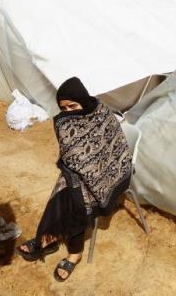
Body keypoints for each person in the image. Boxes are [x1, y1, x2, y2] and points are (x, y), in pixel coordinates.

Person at [17, 77, 133, 281]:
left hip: (107, 172)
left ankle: (66, 248)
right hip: (81, 173)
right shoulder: (68, 123)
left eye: (73, 106)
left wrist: (90, 170)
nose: (69, 112)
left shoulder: (101, 113)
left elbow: (113, 147)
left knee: (75, 197)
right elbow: (73, 156)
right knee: (69, 190)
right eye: (64, 108)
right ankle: (51, 237)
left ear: (83, 100)